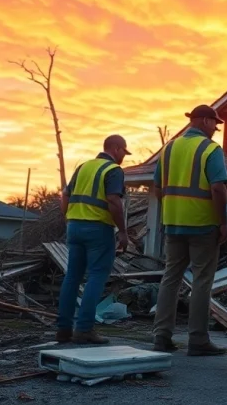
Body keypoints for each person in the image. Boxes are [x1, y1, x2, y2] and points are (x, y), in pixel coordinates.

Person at [152, 104, 227, 356]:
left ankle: (161, 335)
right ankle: (198, 340)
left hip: (173, 224)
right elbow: (218, 188)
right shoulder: (210, 149)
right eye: (215, 124)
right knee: (202, 281)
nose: (216, 129)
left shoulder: (169, 149)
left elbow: (157, 187)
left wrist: (170, 210)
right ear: (205, 121)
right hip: (203, 224)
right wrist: (224, 222)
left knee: (170, 277)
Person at [56, 134, 131, 345]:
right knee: (97, 276)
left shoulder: (83, 167)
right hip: (98, 228)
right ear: (116, 148)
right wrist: (123, 232)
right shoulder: (113, 170)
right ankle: (84, 329)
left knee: (72, 277)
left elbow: (65, 196)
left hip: (75, 227)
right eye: (124, 152)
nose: (124, 156)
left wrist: (69, 218)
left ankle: (63, 329)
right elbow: (114, 201)